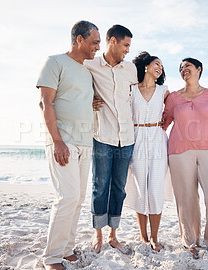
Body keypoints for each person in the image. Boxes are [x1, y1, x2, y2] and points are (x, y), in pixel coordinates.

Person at [36, 20, 100, 270]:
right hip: (64, 141)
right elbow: (45, 103)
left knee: (78, 199)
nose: (98, 47)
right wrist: (58, 141)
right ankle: (52, 255)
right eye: (94, 42)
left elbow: (80, 99)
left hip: (86, 141)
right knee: (67, 197)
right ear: (79, 40)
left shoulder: (87, 72)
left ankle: (67, 248)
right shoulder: (54, 62)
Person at [162, 57, 208, 259]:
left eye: (188, 66)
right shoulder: (174, 98)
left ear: (198, 69)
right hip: (179, 151)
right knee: (186, 199)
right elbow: (162, 123)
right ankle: (190, 241)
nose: (184, 69)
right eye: (181, 68)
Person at [84, 25, 138, 254]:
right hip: (102, 135)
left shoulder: (131, 69)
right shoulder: (90, 65)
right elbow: (76, 87)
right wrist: (89, 99)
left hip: (126, 137)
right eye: (125, 45)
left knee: (119, 187)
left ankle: (113, 234)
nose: (127, 50)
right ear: (112, 41)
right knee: (100, 185)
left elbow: (138, 96)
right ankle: (97, 234)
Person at [124, 51, 169, 252]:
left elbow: (178, 110)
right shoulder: (131, 89)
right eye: (156, 64)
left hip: (158, 139)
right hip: (137, 138)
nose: (159, 67)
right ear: (146, 66)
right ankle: (143, 236)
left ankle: (154, 237)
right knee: (141, 188)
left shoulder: (164, 91)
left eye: (161, 66)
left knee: (155, 189)